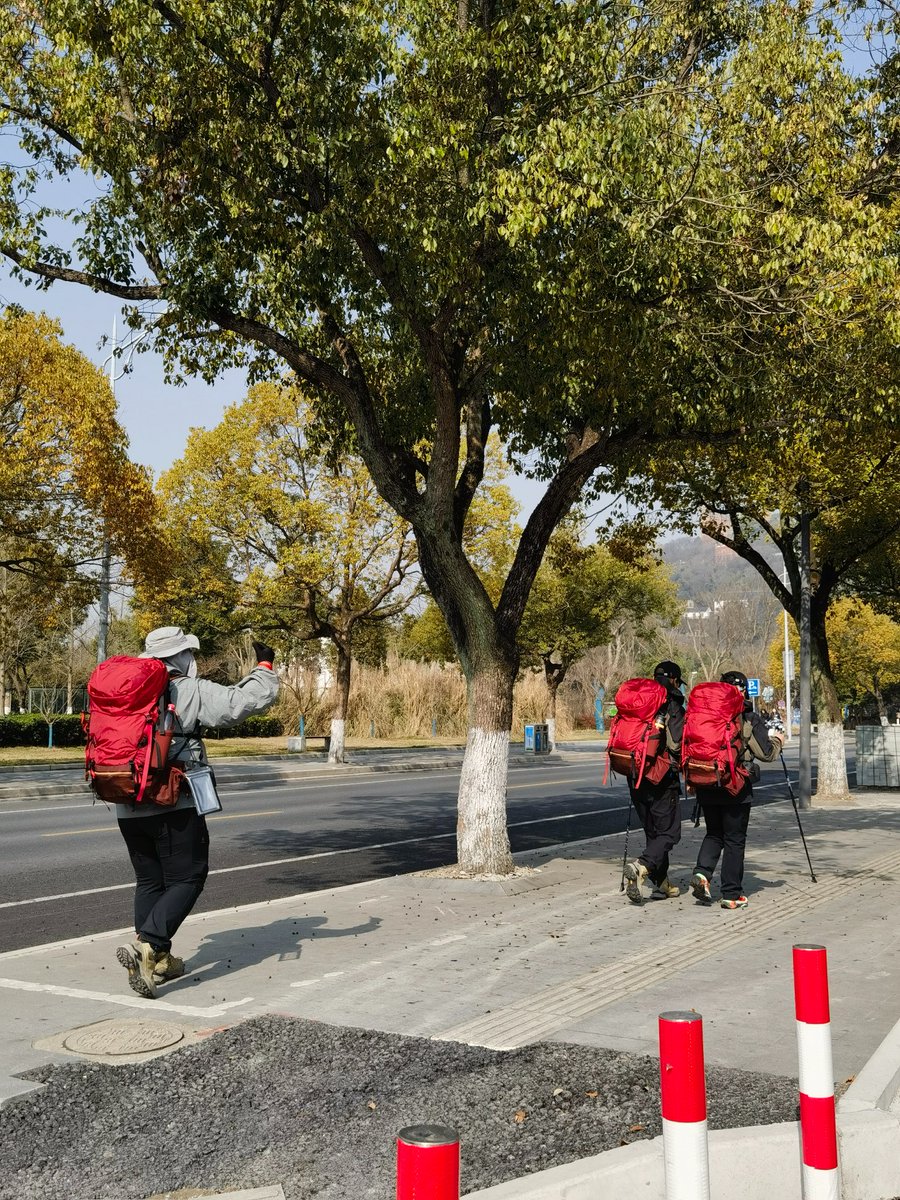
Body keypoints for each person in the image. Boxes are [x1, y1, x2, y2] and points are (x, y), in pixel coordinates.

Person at [115, 626, 279, 999]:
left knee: (150, 882)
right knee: (189, 877)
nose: (192, 659)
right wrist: (265, 666)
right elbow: (240, 703)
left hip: (125, 800)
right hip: (173, 800)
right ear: (179, 656)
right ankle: (150, 944)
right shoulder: (185, 688)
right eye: (189, 653)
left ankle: (157, 961)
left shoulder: (127, 692)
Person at [689, 670, 783, 910]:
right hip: (734, 786)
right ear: (741, 690)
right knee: (734, 840)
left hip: (706, 780)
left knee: (713, 833)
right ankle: (731, 894)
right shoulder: (747, 716)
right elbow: (766, 753)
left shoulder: (702, 714)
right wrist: (778, 741)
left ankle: (702, 874)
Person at [623, 660, 685, 904]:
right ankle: (642, 866)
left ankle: (660, 884)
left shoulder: (640, 700)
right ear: (673, 680)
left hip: (634, 774)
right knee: (670, 833)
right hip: (660, 778)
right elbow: (675, 745)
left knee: (653, 833)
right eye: (678, 681)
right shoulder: (672, 705)